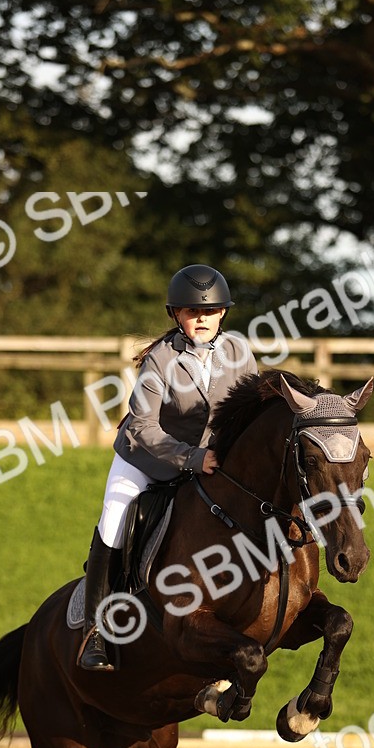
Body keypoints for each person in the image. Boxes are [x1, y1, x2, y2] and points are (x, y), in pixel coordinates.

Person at [78, 263, 258, 671]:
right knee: (114, 518)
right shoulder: (161, 359)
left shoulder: (239, 353)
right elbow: (142, 426)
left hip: (209, 460)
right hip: (147, 457)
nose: (202, 319)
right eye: (193, 311)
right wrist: (192, 458)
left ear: (222, 313)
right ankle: (95, 633)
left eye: (209, 311)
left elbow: (250, 413)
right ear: (176, 314)